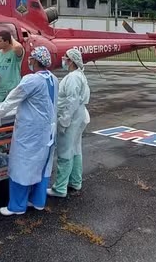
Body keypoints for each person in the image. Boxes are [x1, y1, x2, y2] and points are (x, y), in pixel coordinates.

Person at [0, 46, 58, 216]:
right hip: (47, 132)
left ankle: (17, 206)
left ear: (35, 60)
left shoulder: (32, 80)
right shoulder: (53, 79)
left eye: (31, 59)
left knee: (22, 165)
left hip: (30, 133)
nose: (29, 61)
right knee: (41, 165)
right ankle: (37, 201)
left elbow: (13, 98)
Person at [48, 48, 91, 198]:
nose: (63, 60)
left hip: (72, 117)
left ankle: (60, 188)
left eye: (65, 57)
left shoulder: (73, 78)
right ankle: (75, 181)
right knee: (75, 149)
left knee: (65, 151)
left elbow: (71, 101)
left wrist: (64, 121)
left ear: (71, 61)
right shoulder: (79, 75)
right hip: (79, 115)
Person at [0, 30, 24, 102]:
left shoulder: (15, 53)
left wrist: (11, 38)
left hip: (12, 91)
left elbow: (18, 47)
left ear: (7, 42)